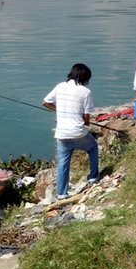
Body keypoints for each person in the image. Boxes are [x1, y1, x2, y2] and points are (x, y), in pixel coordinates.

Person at [42, 63, 99, 201]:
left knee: (63, 163)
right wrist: (84, 121)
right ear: (85, 78)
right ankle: (93, 178)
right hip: (78, 133)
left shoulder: (60, 86)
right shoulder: (86, 92)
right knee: (93, 147)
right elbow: (86, 118)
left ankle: (62, 194)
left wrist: (60, 111)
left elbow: (45, 102)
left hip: (62, 134)